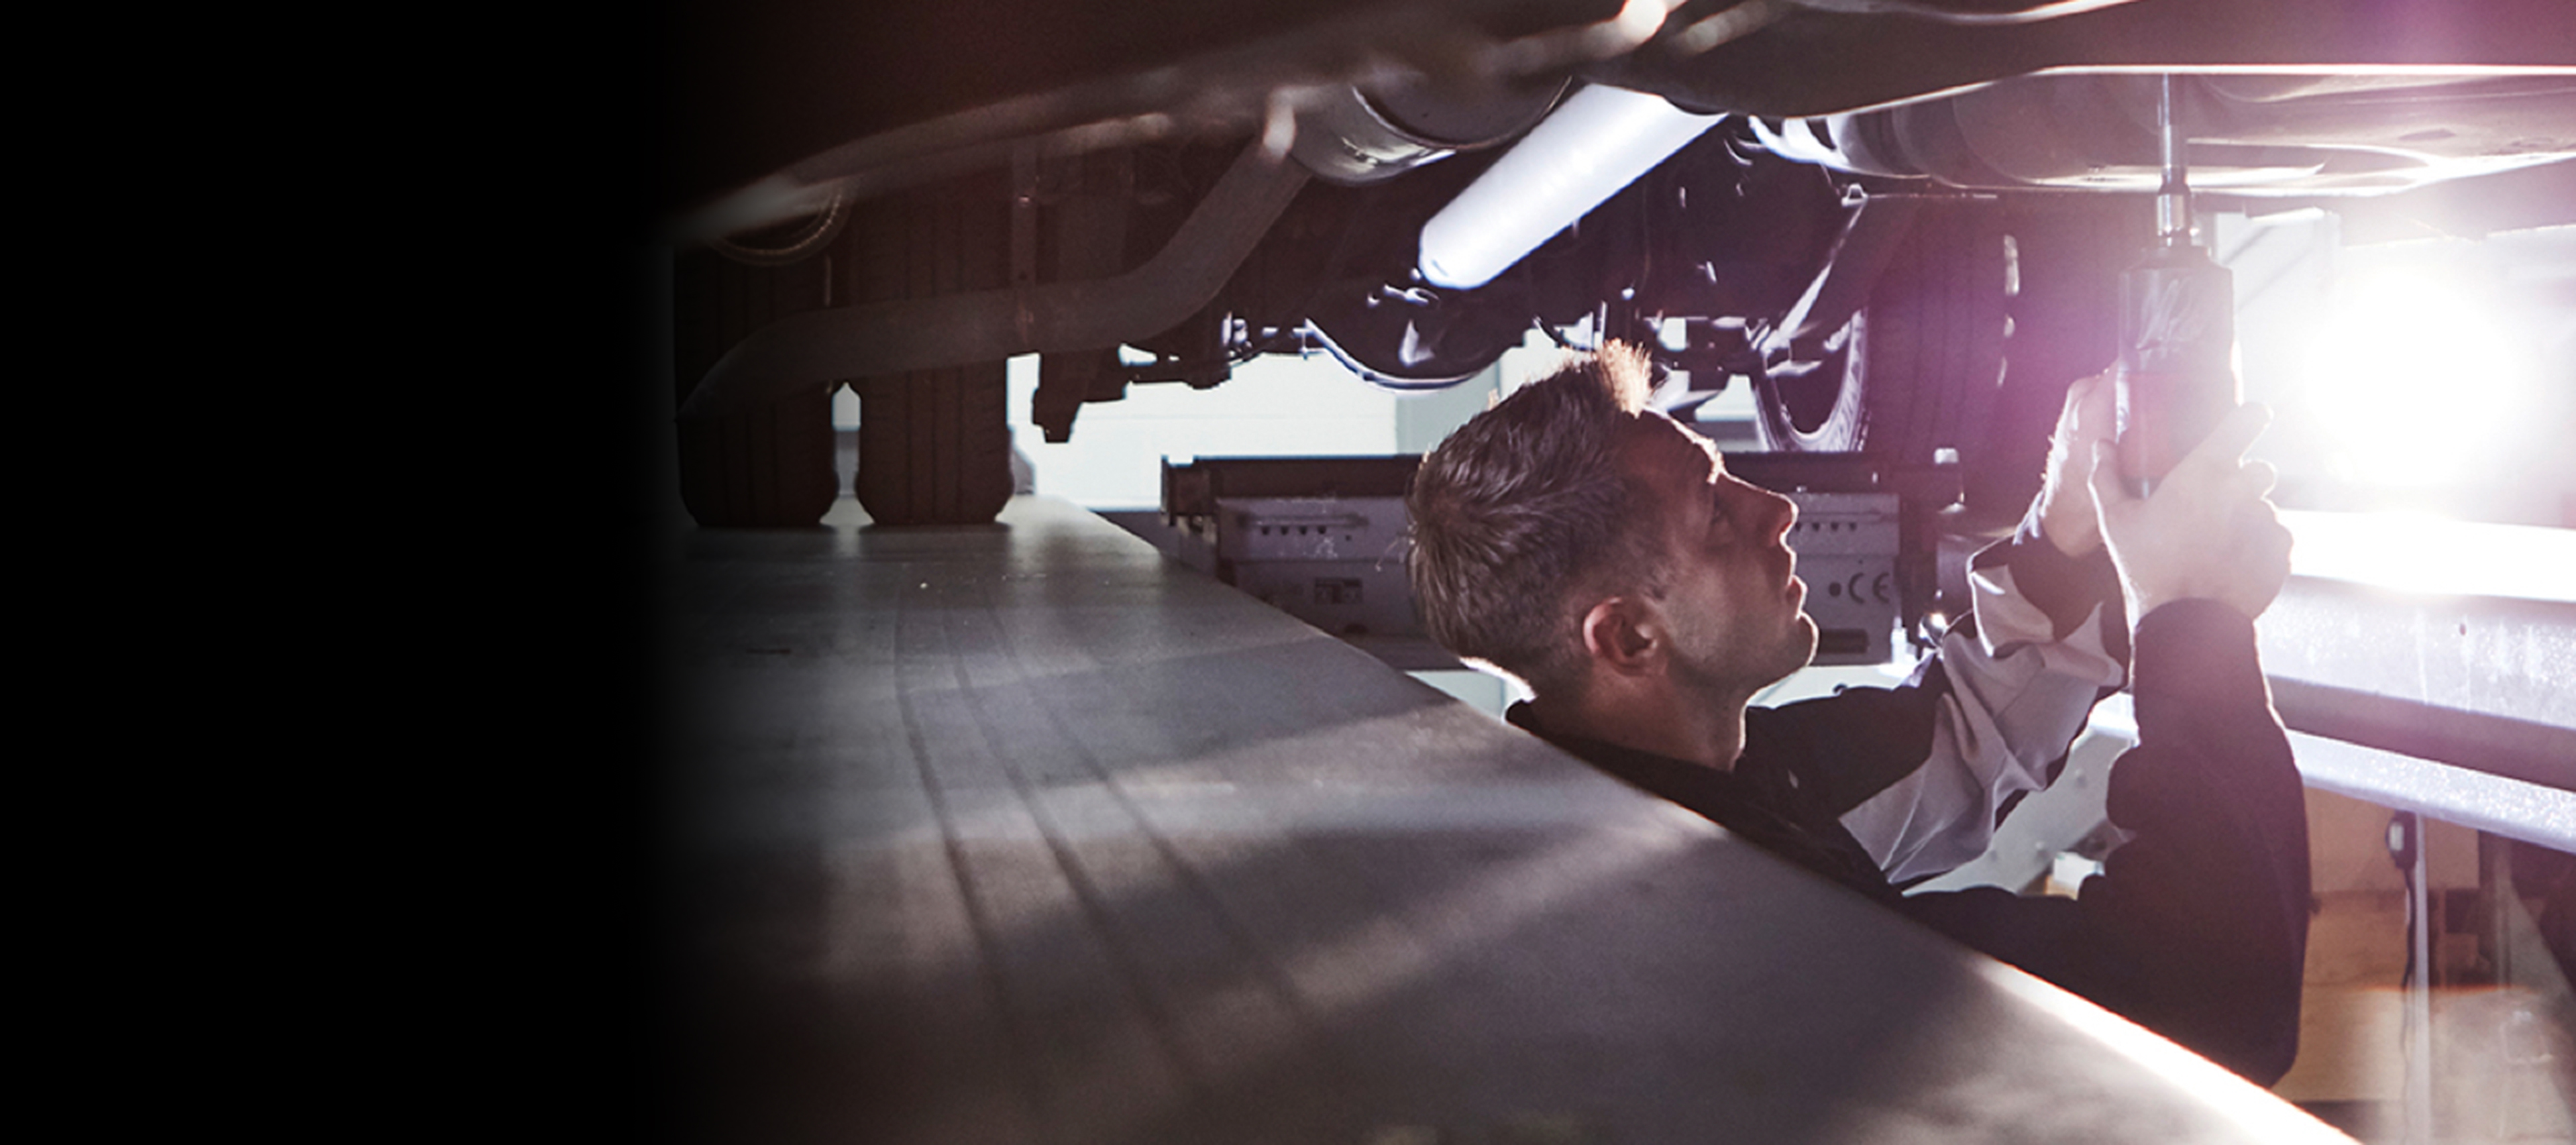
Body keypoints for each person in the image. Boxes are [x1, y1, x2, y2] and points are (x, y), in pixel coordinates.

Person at [1405, 343, 2310, 1084]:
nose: (1781, 511)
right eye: (1715, 513)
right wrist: (2192, 622)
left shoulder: (1693, 785)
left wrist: (2061, 535)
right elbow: (2213, 997)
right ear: (1632, 639)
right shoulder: (1725, 939)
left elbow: (1957, 740)